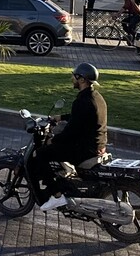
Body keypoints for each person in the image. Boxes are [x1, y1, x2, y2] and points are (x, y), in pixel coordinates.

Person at [34, 61, 108, 211]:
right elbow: (80, 117)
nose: (72, 79)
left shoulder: (82, 101)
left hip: (85, 149)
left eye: (75, 76)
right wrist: (60, 117)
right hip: (98, 144)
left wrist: (53, 140)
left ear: (82, 79)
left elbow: (71, 131)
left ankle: (56, 195)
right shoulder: (96, 96)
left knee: (41, 154)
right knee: (57, 148)